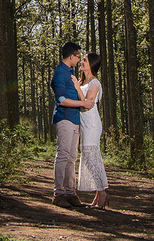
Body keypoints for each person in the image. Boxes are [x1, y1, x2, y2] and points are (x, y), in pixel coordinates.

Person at [51, 41, 95, 208]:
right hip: (64, 119)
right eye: (78, 57)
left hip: (75, 119)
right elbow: (61, 100)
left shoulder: (70, 72)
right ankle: (59, 193)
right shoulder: (60, 73)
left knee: (71, 157)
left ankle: (70, 192)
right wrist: (82, 104)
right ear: (71, 56)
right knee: (63, 155)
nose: (79, 60)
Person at [73, 52, 109, 208]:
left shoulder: (95, 83)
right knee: (89, 158)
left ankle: (103, 193)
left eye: (85, 60)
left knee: (91, 158)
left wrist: (77, 88)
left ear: (92, 64)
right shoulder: (82, 81)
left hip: (92, 124)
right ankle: (98, 195)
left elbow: (88, 103)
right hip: (84, 124)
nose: (81, 62)